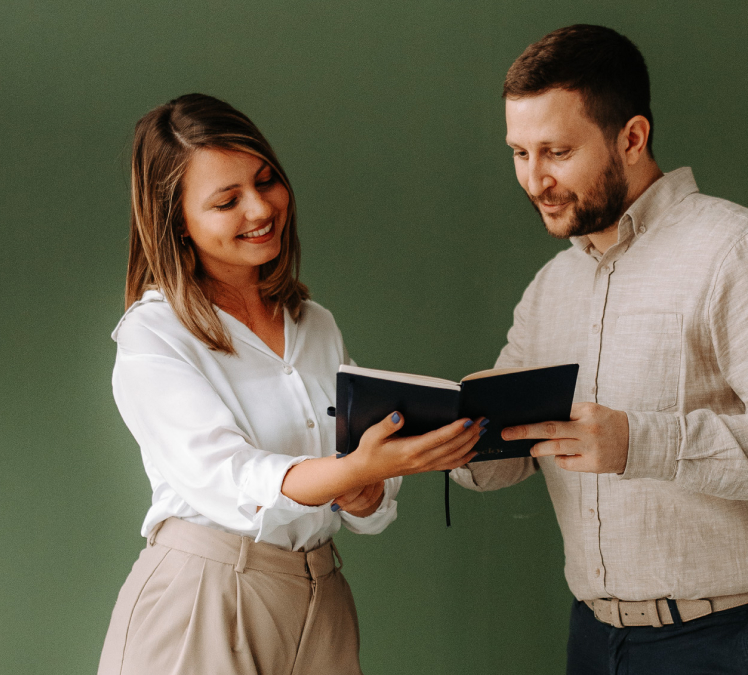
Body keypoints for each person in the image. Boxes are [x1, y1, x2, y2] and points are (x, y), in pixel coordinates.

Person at [451, 24, 748, 674]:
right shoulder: (550, 286)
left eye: (556, 151)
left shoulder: (740, 254)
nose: (534, 180)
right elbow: (516, 450)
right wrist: (457, 442)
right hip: (592, 637)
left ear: (633, 137)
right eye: (519, 152)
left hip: (732, 640)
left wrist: (641, 443)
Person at [97, 93, 484, 675]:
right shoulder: (153, 334)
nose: (260, 209)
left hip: (320, 594)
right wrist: (355, 471)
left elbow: (359, 484)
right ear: (175, 220)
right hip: (203, 599)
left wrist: (366, 488)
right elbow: (230, 478)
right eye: (227, 201)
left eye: (267, 180)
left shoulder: (314, 322)